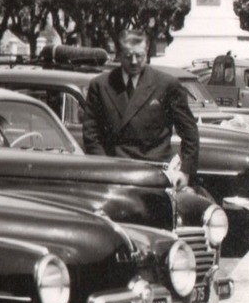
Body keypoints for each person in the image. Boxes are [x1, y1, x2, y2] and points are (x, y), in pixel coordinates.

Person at [81, 29, 199, 189]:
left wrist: (185, 171)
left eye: (140, 56)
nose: (134, 61)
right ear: (118, 54)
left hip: (154, 173)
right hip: (114, 173)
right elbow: (91, 134)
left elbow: (189, 131)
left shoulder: (166, 84)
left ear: (147, 52)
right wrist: (104, 168)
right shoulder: (101, 85)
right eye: (128, 57)